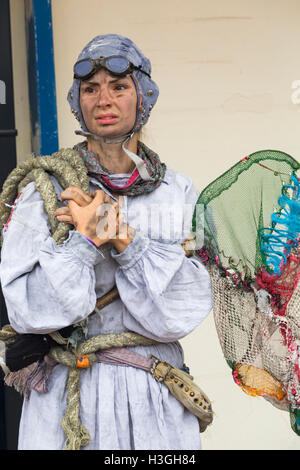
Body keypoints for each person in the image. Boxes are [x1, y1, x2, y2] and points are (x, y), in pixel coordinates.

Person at [0, 34, 212, 450]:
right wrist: (83, 242)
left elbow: (185, 306)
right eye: (91, 89)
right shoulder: (43, 190)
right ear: (77, 101)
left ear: (144, 96)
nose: (104, 100)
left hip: (156, 398)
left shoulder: (178, 192)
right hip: (68, 400)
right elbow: (25, 308)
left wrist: (124, 240)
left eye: (119, 87)